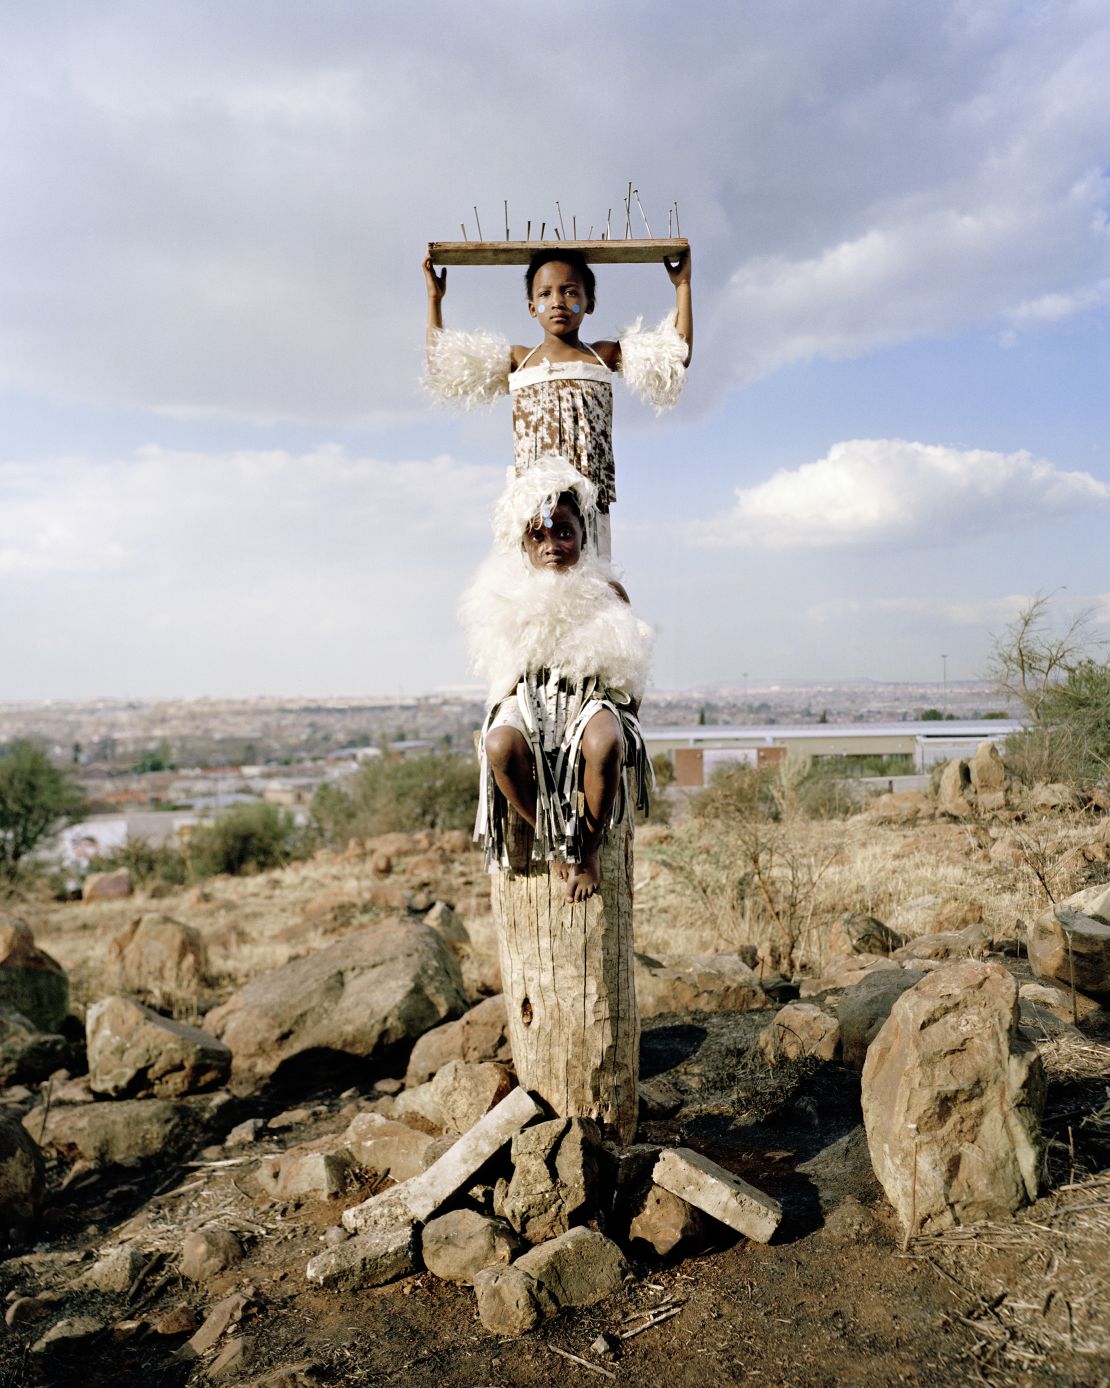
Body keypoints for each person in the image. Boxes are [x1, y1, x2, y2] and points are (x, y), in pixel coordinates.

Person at [460, 459, 654, 902]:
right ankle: (552, 839)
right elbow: (503, 667)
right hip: (529, 697)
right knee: (499, 747)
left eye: (563, 532)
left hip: (588, 695)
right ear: (524, 545)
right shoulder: (503, 595)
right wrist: (513, 711)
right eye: (539, 536)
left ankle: (587, 848)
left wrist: (618, 707)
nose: (552, 545)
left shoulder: (607, 591)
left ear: (583, 536)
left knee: (605, 744)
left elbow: (627, 667)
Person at [423, 247, 692, 558]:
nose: (558, 302)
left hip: (589, 503)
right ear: (531, 307)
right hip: (533, 506)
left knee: (590, 585)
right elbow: (443, 365)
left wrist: (682, 285)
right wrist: (434, 299)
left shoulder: (601, 357)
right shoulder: (520, 361)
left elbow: (675, 356)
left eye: (569, 292)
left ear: (589, 303)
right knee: (535, 588)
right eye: (545, 293)